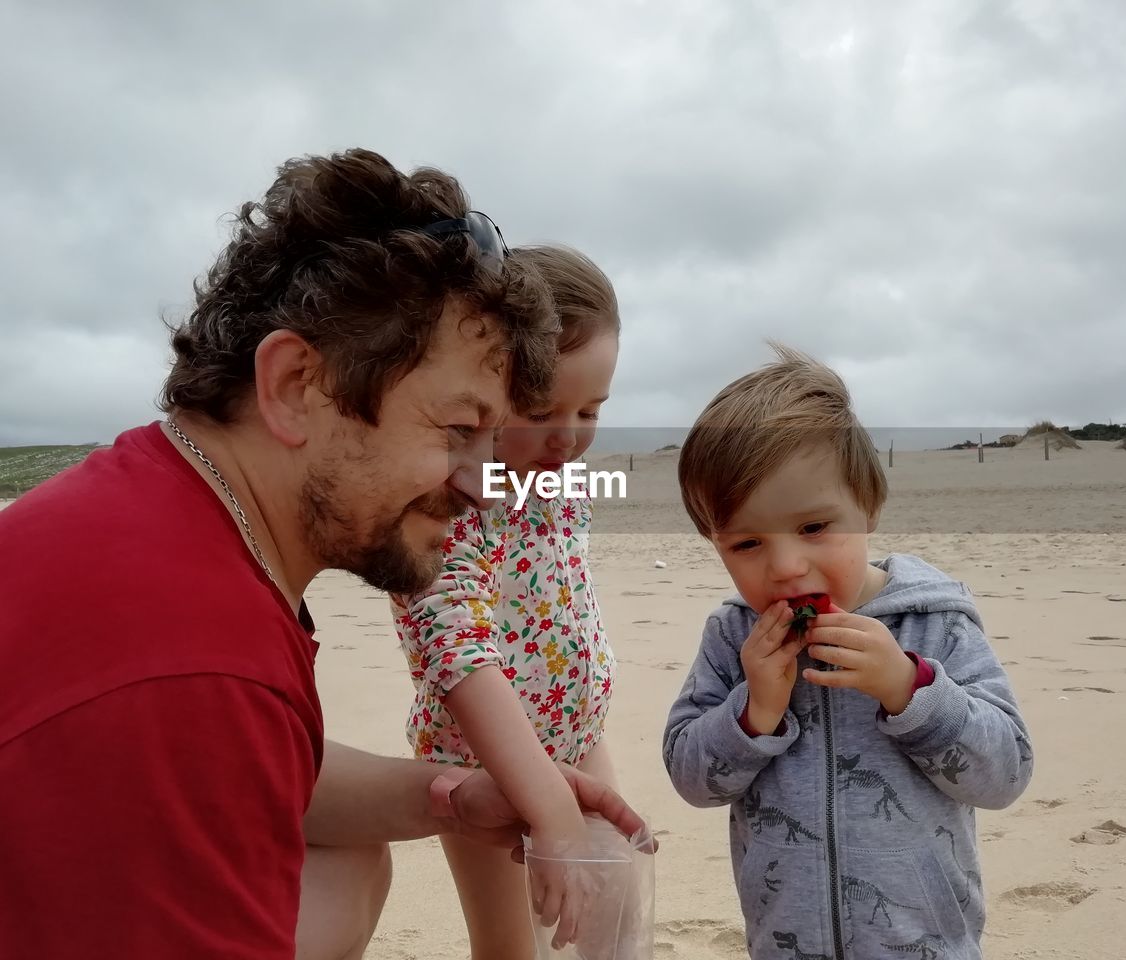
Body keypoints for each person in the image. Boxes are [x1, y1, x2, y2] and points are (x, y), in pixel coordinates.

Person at [0, 148, 648, 960]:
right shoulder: (199, 665)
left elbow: (267, 775)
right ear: (296, 385)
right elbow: (207, 736)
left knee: (348, 864)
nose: (485, 487)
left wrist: (451, 798)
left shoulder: (162, 514)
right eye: (456, 430)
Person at [661, 344, 1034, 959]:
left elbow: (1005, 775)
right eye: (747, 543)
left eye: (813, 529)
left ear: (869, 507)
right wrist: (753, 711)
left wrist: (909, 688)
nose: (785, 566)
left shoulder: (934, 623)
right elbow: (693, 780)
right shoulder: (735, 636)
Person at [390, 244, 623, 958]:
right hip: (482, 761)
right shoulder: (448, 504)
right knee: (509, 945)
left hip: (581, 738)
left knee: (609, 915)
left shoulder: (554, 479)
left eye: (591, 408)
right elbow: (454, 647)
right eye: (543, 408)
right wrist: (546, 807)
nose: (569, 435)